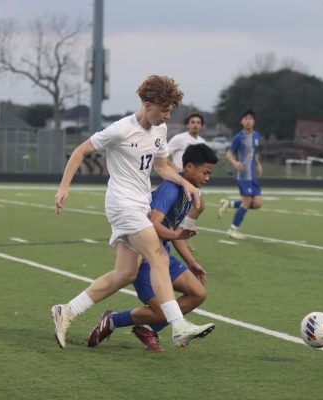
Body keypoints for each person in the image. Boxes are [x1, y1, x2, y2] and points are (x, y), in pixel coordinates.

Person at [50, 75, 213, 348]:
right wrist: (63, 188)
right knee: (158, 256)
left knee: (125, 274)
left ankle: (66, 311)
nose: (168, 115)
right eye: (164, 109)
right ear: (147, 104)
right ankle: (178, 326)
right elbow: (80, 151)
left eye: (171, 110)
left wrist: (185, 183)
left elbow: (161, 168)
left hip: (138, 204)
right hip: (122, 204)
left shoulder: (159, 131)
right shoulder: (120, 129)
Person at [87, 143, 218, 351]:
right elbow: (153, 226)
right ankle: (112, 320)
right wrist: (175, 234)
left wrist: (191, 263)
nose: (207, 178)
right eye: (205, 172)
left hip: (162, 254)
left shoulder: (187, 193)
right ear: (190, 167)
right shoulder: (171, 189)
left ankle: (147, 327)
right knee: (161, 310)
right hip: (144, 256)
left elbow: (174, 230)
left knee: (198, 294)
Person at [217, 109, 263, 239]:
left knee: (257, 204)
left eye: (251, 118)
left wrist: (258, 164)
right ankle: (232, 230)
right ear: (241, 121)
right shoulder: (239, 137)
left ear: (254, 121)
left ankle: (229, 204)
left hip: (252, 175)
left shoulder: (256, 136)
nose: (248, 121)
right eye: (246, 118)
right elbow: (229, 153)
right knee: (247, 201)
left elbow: (254, 153)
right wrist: (235, 163)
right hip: (243, 175)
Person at [167, 113, 207, 233]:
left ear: (202, 126)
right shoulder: (179, 138)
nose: (195, 125)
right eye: (192, 122)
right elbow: (165, 155)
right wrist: (174, 168)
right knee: (175, 211)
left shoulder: (202, 142)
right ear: (187, 125)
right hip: (178, 178)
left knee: (198, 206)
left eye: (198, 122)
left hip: (192, 181)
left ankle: (185, 233)